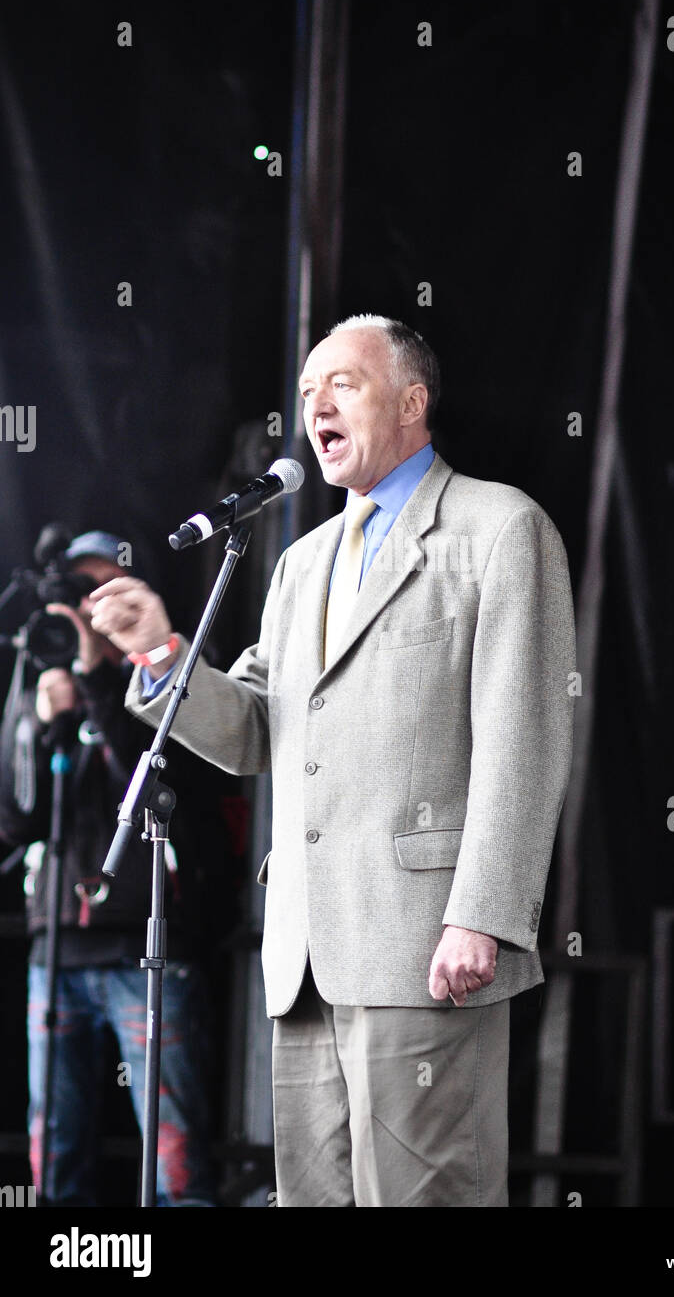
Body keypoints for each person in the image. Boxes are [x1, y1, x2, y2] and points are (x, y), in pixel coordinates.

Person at [90, 316, 575, 1207]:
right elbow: (253, 732)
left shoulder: (498, 528)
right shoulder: (300, 562)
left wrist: (486, 915)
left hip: (426, 944)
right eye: (307, 391)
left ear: (413, 401)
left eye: (342, 384)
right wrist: (159, 655)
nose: (315, 403)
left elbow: (526, 735)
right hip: (305, 953)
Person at [0, 532, 222, 1207]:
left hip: (145, 947)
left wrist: (101, 679)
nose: (88, 609)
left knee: (174, 1147)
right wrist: (43, 728)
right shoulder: (41, 676)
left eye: (103, 590)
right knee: (55, 1146)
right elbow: (14, 821)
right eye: (75, 594)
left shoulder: (168, 675)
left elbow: (157, 788)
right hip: (57, 949)